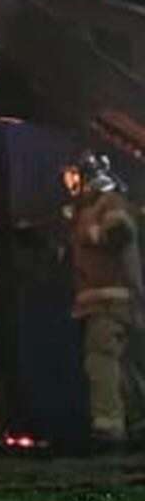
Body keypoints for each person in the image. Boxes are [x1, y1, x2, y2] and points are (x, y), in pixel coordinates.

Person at [61, 152, 145, 450]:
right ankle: (137, 423)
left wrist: (85, 232)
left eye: (76, 177)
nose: (72, 184)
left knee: (101, 361)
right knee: (123, 365)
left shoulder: (109, 203)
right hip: (111, 302)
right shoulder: (92, 208)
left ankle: (108, 427)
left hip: (111, 301)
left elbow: (119, 233)